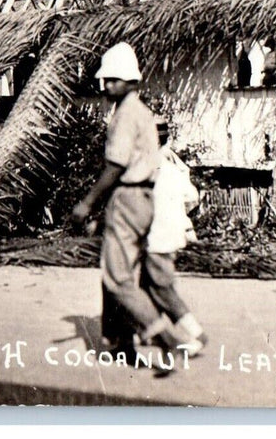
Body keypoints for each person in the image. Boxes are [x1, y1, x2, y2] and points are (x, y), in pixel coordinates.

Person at [71, 42, 192, 359]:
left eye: (113, 80)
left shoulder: (125, 114)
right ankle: (120, 340)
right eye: (105, 80)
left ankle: (160, 333)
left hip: (128, 194)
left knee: (117, 277)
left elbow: (116, 165)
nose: (106, 86)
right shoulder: (144, 113)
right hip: (143, 198)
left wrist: (88, 202)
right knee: (122, 271)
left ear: (129, 81)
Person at [147, 117, 207, 350]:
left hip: (157, 234)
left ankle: (192, 335)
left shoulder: (154, 165)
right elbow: (191, 196)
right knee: (150, 286)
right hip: (170, 231)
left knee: (159, 287)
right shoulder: (171, 164)